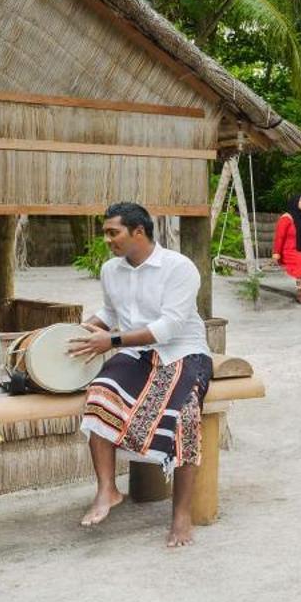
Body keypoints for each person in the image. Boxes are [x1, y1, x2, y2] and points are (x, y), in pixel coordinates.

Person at [66, 201, 212, 548]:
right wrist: (80, 331)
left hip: (183, 351)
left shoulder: (179, 267)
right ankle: (107, 490)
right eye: (106, 233)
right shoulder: (110, 270)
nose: (107, 240)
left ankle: (181, 514)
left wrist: (111, 341)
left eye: (112, 232)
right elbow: (110, 311)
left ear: (139, 232)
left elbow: (170, 327)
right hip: (135, 353)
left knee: (184, 414)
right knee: (99, 393)